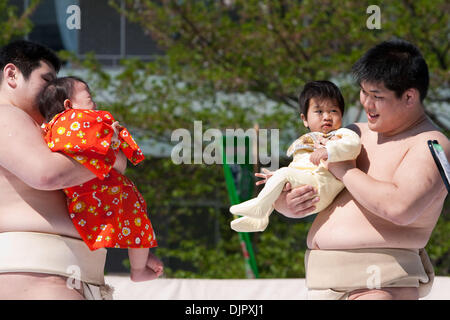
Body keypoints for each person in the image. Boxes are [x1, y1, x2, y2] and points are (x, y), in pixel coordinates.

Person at [272, 39, 449, 300]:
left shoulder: (433, 145)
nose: (366, 104)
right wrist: (286, 202)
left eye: (377, 97)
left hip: (380, 285)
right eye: (364, 92)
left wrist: (345, 171)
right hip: (323, 282)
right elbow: (306, 176)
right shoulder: (352, 133)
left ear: (409, 96)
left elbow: (400, 208)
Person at [0, 40, 124, 299]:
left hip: (69, 275)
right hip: (37, 276)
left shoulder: (47, 133)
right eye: (46, 80)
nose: (53, 90)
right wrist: (108, 155)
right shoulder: (6, 115)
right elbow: (46, 174)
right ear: (12, 74)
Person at [38, 76, 163, 282]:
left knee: (137, 226)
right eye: (89, 98)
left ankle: (140, 261)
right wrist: (109, 136)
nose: (94, 104)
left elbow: (118, 164)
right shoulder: (73, 122)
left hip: (101, 193)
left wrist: (110, 140)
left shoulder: (53, 128)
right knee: (138, 225)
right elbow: (101, 153)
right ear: (69, 105)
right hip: (94, 194)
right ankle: (138, 267)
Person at [229, 81, 361, 232]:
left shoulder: (341, 134)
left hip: (322, 186)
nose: (327, 117)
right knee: (280, 180)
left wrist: (329, 151)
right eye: (319, 112)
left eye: (333, 111)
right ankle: (260, 220)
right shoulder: (307, 140)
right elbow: (297, 167)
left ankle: (259, 206)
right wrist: (275, 177)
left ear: (341, 115)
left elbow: (353, 146)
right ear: (304, 119)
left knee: (284, 173)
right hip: (309, 184)